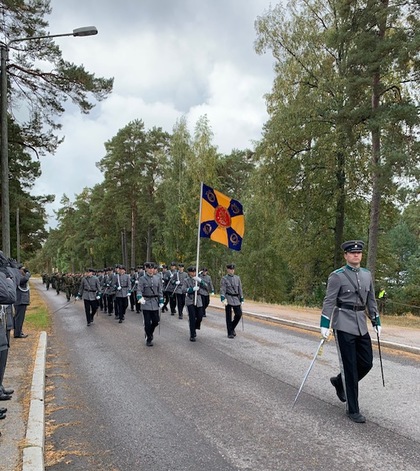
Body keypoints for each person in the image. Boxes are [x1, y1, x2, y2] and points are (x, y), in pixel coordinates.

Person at [320, 240, 381, 424]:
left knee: (366, 362)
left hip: (361, 324)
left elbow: (371, 301)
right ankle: (353, 410)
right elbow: (329, 301)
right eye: (352, 252)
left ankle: (340, 382)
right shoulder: (337, 276)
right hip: (343, 324)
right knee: (350, 367)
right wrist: (325, 323)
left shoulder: (367, 275)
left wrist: (376, 320)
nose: (356, 255)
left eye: (359, 252)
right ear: (346, 255)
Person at [137, 262, 163, 346]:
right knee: (147, 322)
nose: (151, 270)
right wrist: (140, 298)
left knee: (156, 321)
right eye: (149, 268)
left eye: (152, 268)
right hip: (146, 301)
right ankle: (149, 338)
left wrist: (161, 301)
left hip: (155, 302)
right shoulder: (142, 279)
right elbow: (139, 290)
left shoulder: (157, 278)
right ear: (146, 269)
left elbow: (160, 291)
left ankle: (150, 332)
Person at [183, 266, 207, 341]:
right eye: (192, 272)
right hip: (190, 300)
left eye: (194, 272)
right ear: (189, 272)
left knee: (200, 316)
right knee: (192, 317)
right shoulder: (186, 280)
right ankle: (192, 334)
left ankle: (196, 326)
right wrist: (191, 289)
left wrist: (201, 281)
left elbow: (206, 286)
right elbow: (183, 290)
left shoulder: (198, 279)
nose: (193, 273)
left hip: (198, 300)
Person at [220, 264, 244, 338]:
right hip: (228, 297)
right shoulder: (224, 279)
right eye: (230, 269)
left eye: (233, 269)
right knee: (228, 316)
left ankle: (232, 327)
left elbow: (240, 288)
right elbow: (223, 289)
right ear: (227, 270)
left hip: (236, 298)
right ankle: (229, 332)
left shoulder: (237, 278)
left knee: (239, 314)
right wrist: (223, 298)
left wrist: (242, 297)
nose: (232, 270)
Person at [13, 264, 31, 338]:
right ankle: (17, 333)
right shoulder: (17, 277)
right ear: (19, 270)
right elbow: (24, 280)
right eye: (23, 270)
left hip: (21, 300)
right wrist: (27, 274)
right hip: (20, 300)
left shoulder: (18, 276)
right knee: (19, 318)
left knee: (19, 317)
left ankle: (18, 331)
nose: (24, 271)